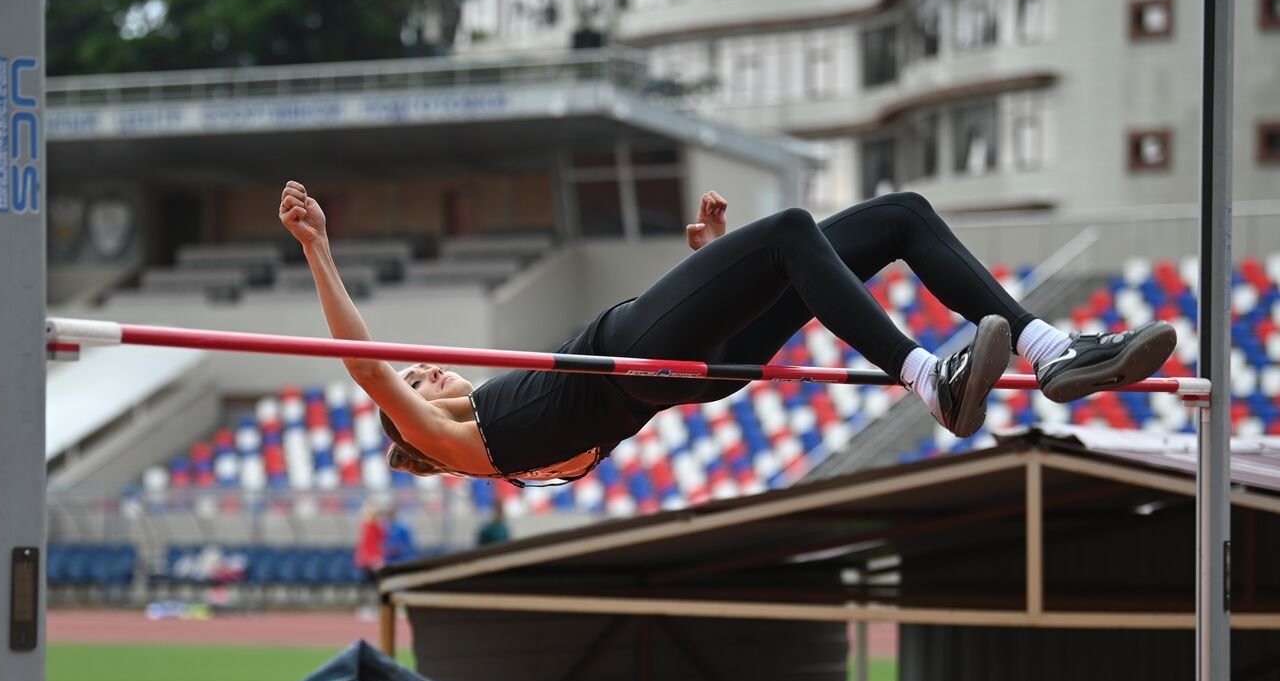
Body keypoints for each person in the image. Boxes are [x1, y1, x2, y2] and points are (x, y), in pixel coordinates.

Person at [279, 181, 1176, 486]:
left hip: (687, 360)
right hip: (648, 353)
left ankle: (1051, 352)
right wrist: (319, 248)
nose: (428, 371)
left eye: (424, 372)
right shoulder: (462, 443)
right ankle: (927, 379)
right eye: (420, 383)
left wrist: (716, 266)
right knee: (791, 229)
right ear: (414, 428)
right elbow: (364, 368)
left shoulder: (512, 422)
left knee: (898, 216)